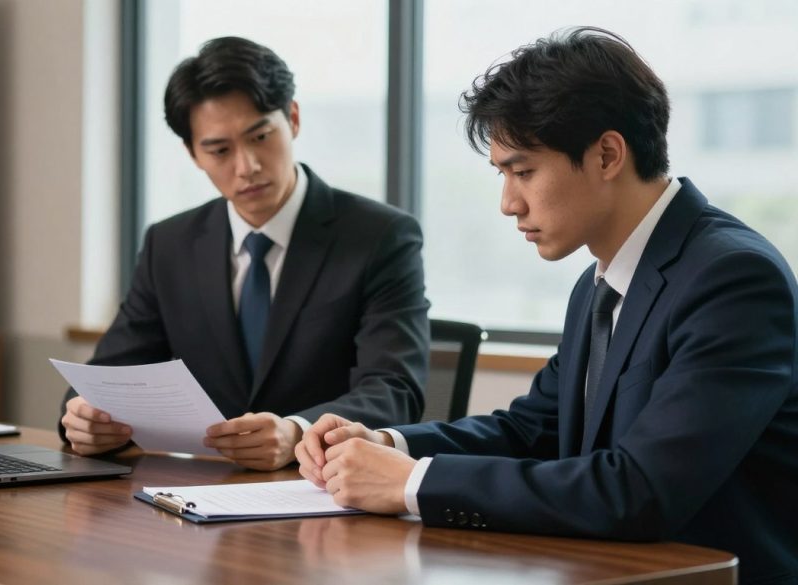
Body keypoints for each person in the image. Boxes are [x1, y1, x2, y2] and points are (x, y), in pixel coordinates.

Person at [296, 27, 797, 583]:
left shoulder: (732, 278)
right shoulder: (598, 284)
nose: (509, 203)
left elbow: (639, 490)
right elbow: (531, 431)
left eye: (523, 171)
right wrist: (387, 443)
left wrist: (409, 483)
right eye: (503, 174)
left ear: (607, 154)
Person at [60, 36, 430, 471]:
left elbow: (394, 389)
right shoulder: (171, 244)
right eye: (220, 150)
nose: (247, 166)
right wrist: (85, 417)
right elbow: (108, 374)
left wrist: (297, 430)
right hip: (198, 496)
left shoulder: (379, 236)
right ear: (193, 154)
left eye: (260, 136)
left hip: (324, 493)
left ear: (292, 119)